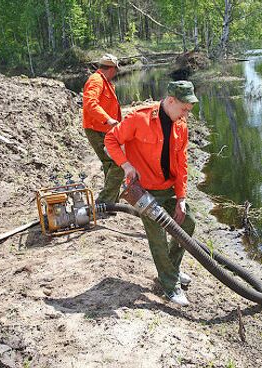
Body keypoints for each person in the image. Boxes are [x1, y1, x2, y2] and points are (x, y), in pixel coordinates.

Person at [104, 81, 198, 306]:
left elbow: (182, 163)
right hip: (144, 191)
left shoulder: (181, 125)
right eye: (184, 108)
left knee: (188, 224)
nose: (187, 113)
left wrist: (182, 198)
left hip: (169, 187)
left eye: (189, 110)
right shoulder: (140, 118)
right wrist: (126, 165)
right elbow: (111, 140)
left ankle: (171, 270)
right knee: (157, 237)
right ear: (171, 101)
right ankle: (169, 286)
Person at [82, 53, 124, 206]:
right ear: (111, 68)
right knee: (119, 164)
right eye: (116, 70)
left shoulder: (104, 81)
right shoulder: (96, 80)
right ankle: (104, 202)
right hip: (97, 128)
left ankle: (111, 203)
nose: (116, 73)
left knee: (109, 164)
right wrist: (107, 119)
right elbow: (90, 103)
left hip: (104, 129)